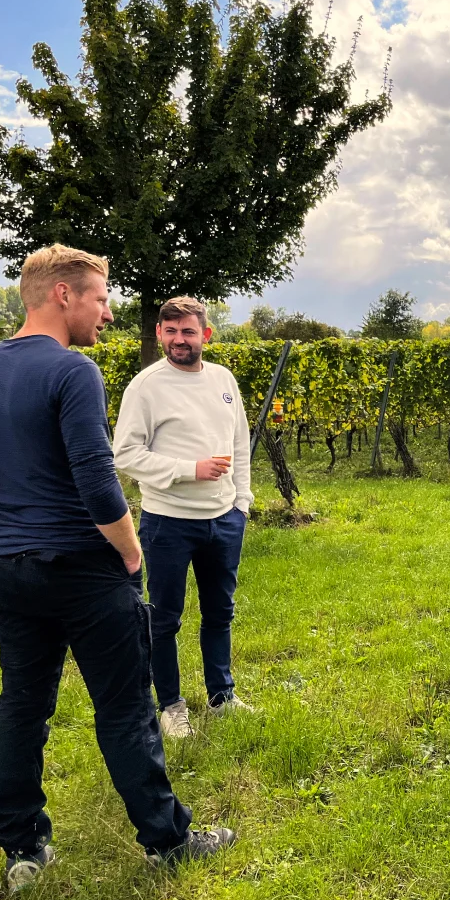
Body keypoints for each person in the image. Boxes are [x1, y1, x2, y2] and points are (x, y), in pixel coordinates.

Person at [0, 245, 234, 893]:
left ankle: (23, 848)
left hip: (10, 570)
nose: (107, 312)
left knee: (22, 704)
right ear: (63, 295)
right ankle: (167, 840)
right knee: (125, 708)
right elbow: (98, 482)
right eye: (101, 298)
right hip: (85, 569)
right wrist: (130, 553)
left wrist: (13, 538)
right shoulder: (72, 372)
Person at [113, 296, 254, 738]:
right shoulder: (146, 386)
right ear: (159, 334)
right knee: (165, 618)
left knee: (220, 612)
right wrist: (187, 471)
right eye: (170, 331)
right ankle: (171, 705)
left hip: (223, 519)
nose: (179, 340)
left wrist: (241, 503)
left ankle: (221, 696)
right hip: (169, 521)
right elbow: (126, 454)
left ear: (205, 335)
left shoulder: (223, 380)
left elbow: (240, 444)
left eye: (188, 331)